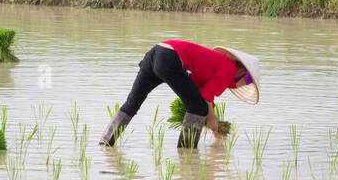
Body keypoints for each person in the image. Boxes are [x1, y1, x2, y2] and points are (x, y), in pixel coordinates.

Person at [100, 40, 261, 147]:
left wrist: (213, 120)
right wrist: (210, 118)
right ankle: (187, 153)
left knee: (132, 103)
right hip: (171, 59)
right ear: (241, 70)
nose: (243, 83)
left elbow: (202, 93)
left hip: (156, 53)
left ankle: (105, 143)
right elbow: (205, 98)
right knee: (199, 109)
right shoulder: (230, 68)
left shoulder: (219, 63)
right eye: (247, 79)